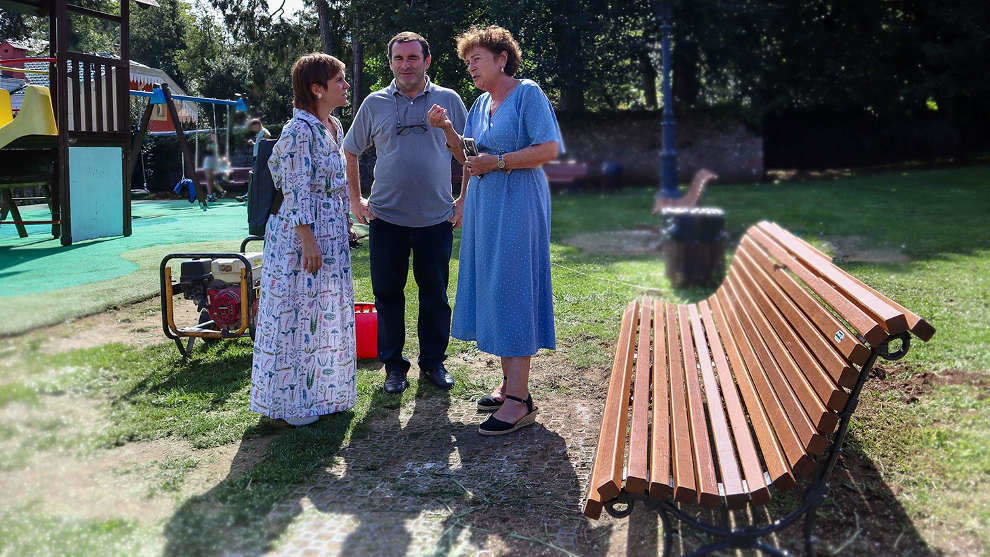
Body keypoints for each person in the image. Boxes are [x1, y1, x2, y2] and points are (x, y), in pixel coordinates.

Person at [428, 25, 562, 435]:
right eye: (467, 61)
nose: (470, 67)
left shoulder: (528, 94)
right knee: (495, 287)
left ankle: (520, 401)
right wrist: (449, 131)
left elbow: (549, 149)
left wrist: (499, 163)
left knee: (513, 287)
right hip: (487, 206)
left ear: (502, 59)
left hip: (519, 204)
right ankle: (510, 386)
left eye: (477, 59)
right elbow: (470, 154)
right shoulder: (481, 102)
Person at [343, 31, 468, 395]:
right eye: (398, 58)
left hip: (436, 219)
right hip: (387, 219)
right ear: (391, 62)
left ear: (427, 61)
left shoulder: (449, 100)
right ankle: (393, 367)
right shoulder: (375, 103)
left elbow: (468, 156)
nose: (405, 64)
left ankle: (434, 363)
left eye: (413, 57)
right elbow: (350, 150)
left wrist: (462, 202)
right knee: (387, 294)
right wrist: (356, 201)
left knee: (435, 295)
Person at [250, 53, 355, 427]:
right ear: (317, 88)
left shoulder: (334, 127)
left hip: (329, 228)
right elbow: (295, 190)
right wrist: (308, 239)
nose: (345, 85)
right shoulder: (298, 132)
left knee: (324, 310)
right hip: (300, 234)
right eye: (339, 80)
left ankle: (326, 393)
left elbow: (336, 183)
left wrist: (344, 221)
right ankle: (293, 403)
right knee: (297, 313)